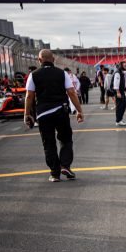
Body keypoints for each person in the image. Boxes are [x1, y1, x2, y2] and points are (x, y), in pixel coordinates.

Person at [23, 49, 84, 182]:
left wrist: (27, 114)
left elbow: (29, 96)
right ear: (54, 59)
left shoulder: (33, 75)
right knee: (66, 139)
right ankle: (65, 165)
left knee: (48, 143)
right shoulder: (62, 73)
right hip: (61, 111)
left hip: (43, 114)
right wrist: (79, 110)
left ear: (39, 60)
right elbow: (71, 92)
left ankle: (55, 173)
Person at [112, 61, 126, 126]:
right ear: (121, 66)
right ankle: (118, 121)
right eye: (124, 65)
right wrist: (118, 92)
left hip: (122, 91)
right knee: (120, 106)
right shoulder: (118, 73)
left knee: (123, 106)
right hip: (119, 92)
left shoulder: (123, 72)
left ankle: (119, 119)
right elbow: (116, 83)